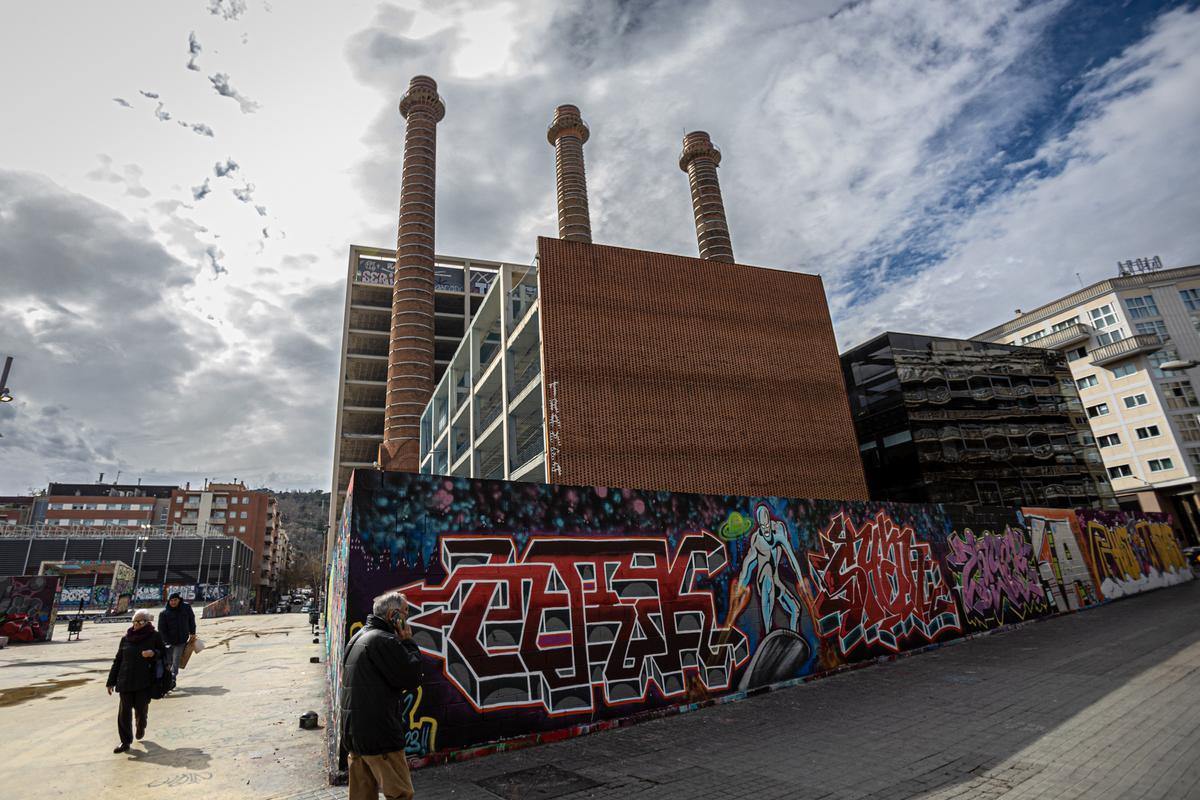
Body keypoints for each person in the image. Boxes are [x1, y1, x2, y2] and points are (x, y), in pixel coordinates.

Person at [341, 591, 424, 800]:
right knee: (400, 794)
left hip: (355, 735)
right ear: (393, 615)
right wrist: (407, 642)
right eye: (406, 612)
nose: (407, 618)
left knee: (362, 796)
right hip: (380, 737)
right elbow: (412, 676)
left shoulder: (357, 638)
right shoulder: (385, 640)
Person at [105, 609, 166, 753]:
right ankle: (125, 742)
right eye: (134, 622)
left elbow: (163, 653)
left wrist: (153, 653)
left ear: (147, 622)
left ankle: (141, 725)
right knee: (124, 713)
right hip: (125, 680)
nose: (136, 625)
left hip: (144, 680)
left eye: (140, 622)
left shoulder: (154, 636)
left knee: (140, 708)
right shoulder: (126, 638)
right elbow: (118, 660)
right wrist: (110, 681)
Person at [158, 592, 196, 690]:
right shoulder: (164, 613)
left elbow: (191, 620)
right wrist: (165, 641)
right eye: (171, 600)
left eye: (175, 600)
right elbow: (161, 629)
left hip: (181, 640)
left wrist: (192, 632)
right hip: (168, 642)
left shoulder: (186, 608)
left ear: (179, 600)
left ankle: (172, 679)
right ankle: (166, 679)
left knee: (176, 660)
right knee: (168, 661)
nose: (173, 602)